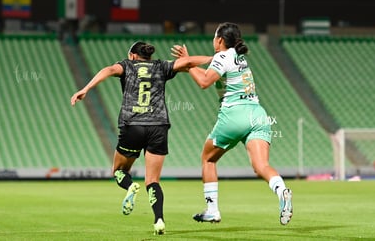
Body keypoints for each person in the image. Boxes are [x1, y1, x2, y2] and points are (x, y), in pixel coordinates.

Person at [71, 41, 211, 235]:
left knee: (119, 171)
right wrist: (216, 59)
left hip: (133, 125)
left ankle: (130, 186)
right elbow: (187, 63)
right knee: (153, 180)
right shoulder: (161, 66)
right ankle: (159, 220)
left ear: (134, 56)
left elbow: (109, 69)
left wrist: (86, 88)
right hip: (158, 127)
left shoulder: (126, 65)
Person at [171, 22, 293, 225]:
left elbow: (204, 82)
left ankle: (212, 210)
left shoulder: (222, 56)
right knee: (261, 165)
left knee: (208, 159)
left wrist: (187, 64)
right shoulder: (238, 56)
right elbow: (206, 68)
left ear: (219, 40)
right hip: (258, 114)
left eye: (214, 37)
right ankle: (282, 191)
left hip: (235, 115)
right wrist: (188, 63)